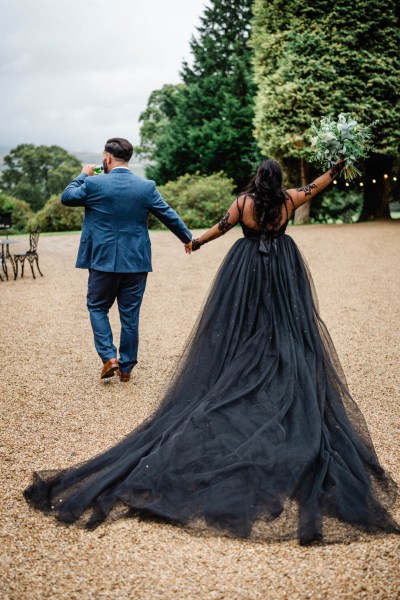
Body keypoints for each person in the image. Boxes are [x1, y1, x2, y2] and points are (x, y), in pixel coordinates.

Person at [24, 158, 399, 545]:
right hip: (284, 266)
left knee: (242, 320)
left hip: (247, 265)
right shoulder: (289, 198)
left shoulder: (244, 202)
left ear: (257, 177)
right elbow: (319, 185)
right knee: (286, 319)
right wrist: (337, 167)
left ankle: (247, 355)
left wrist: (196, 242)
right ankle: (275, 355)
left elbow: (222, 227)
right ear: (279, 180)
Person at [60, 137, 192, 382]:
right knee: (130, 314)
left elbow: (67, 197)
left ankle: (109, 357)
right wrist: (188, 238)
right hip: (135, 262)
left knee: (97, 307)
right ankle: (127, 368)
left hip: (102, 261)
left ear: (107, 158)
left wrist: (82, 175)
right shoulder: (146, 187)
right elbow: (169, 215)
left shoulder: (93, 184)